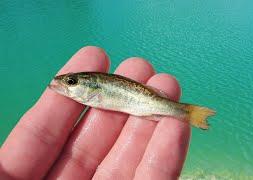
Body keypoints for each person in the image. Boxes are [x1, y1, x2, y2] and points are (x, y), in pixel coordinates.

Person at [0, 46, 190, 180]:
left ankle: (186, 113)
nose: (64, 84)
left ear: (92, 87)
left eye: (72, 82)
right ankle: (185, 113)